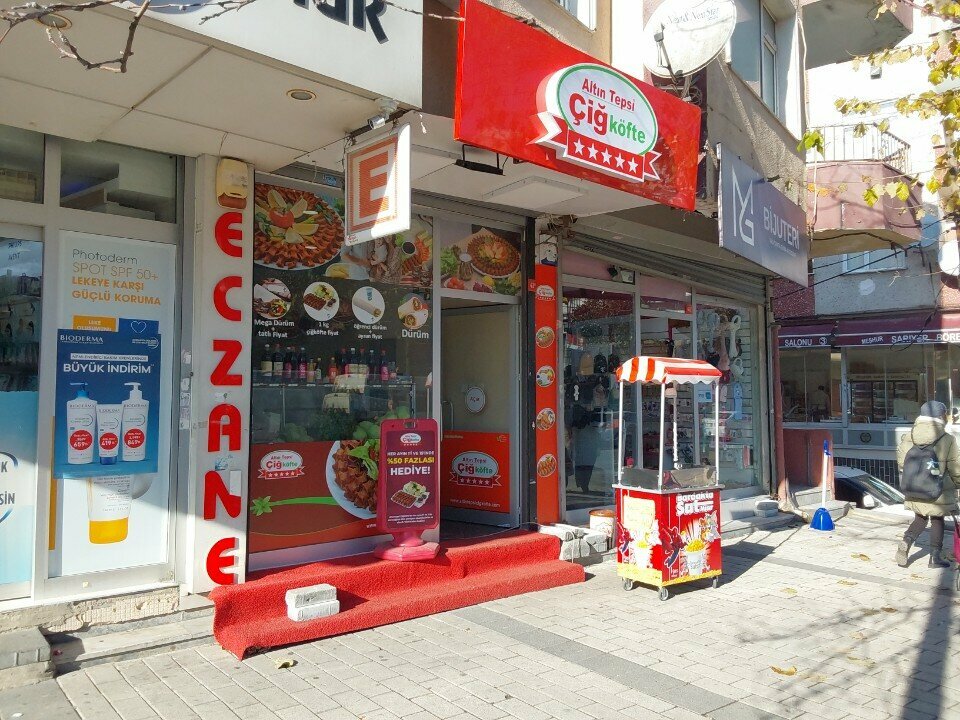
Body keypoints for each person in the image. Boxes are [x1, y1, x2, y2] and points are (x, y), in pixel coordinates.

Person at [895, 400, 960, 568]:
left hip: (914, 485)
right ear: (941, 416)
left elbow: (902, 461)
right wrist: (957, 483)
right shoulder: (947, 439)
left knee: (920, 517)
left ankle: (906, 541)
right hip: (938, 488)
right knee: (937, 519)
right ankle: (935, 558)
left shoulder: (909, 436)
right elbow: (955, 466)